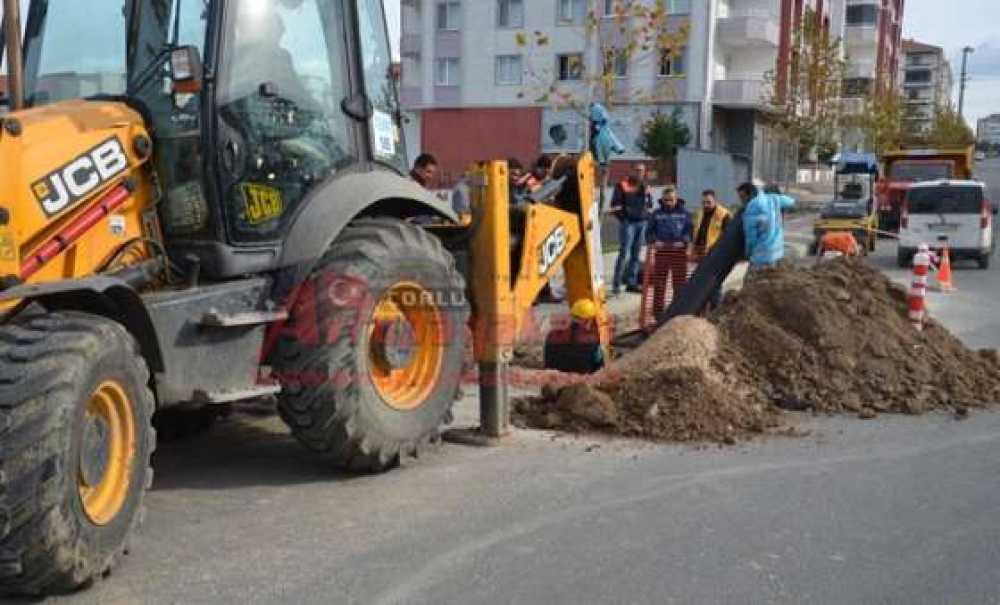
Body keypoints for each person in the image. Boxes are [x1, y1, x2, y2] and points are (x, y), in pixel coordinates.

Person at [647, 187, 693, 317]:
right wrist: (654, 241)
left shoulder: (685, 214)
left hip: (679, 253)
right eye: (666, 200)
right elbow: (649, 232)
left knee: (679, 283)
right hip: (662, 252)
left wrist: (684, 241)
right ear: (662, 200)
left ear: (676, 199)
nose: (668, 202)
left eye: (671, 200)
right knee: (659, 283)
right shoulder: (656, 214)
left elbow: (689, 231)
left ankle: (678, 311)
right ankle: (658, 313)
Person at [737, 182, 796, 273]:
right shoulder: (773, 199)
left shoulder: (750, 209)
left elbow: (751, 237)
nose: (741, 201)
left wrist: (747, 253)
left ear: (751, 194)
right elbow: (791, 201)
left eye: (742, 197)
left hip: (761, 256)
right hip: (777, 253)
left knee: (752, 283)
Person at [610, 172, 651, 295]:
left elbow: (649, 204)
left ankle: (631, 283)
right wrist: (624, 218)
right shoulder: (621, 186)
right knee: (624, 253)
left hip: (642, 223)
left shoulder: (644, 186)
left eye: (642, 170)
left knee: (636, 254)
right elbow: (615, 206)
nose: (640, 173)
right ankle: (616, 285)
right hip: (628, 224)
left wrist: (646, 216)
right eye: (637, 170)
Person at [692, 189, 732, 308]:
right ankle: (703, 309)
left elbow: (728, 237)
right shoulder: (700, 213)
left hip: (716, 256)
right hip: (701, 254)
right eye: (703, 202)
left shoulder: (724, 215)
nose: (706, 205)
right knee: (701, 284)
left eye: (708, 202)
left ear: (715, 201)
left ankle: (715, 310)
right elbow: (696, 232)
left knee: (714, 284)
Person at [543, 299, 605, 374]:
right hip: (582, 378)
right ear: (588, 320)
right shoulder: (591, 339)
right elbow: (599, 366)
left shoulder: (551, 335)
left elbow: (547, 361)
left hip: (554, 376)